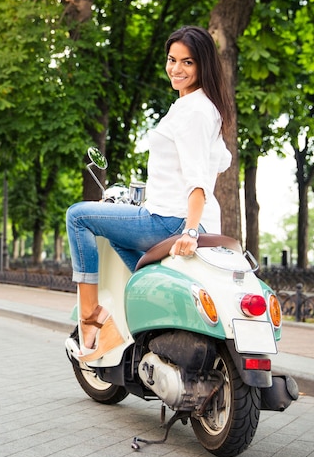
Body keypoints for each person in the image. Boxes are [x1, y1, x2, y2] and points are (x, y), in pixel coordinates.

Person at [66, 25, 235, 362]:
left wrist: (189, 229)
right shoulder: (204, 108)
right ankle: (149, 320)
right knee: (118, 238)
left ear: (202, 65)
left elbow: (197, 179)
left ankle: (90, 318)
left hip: (169, 220)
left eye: (187, 62)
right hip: (178, 215)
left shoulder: (193, 112)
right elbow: (219, 162)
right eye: (172, 60)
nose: (176, 69)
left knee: (78, 216)